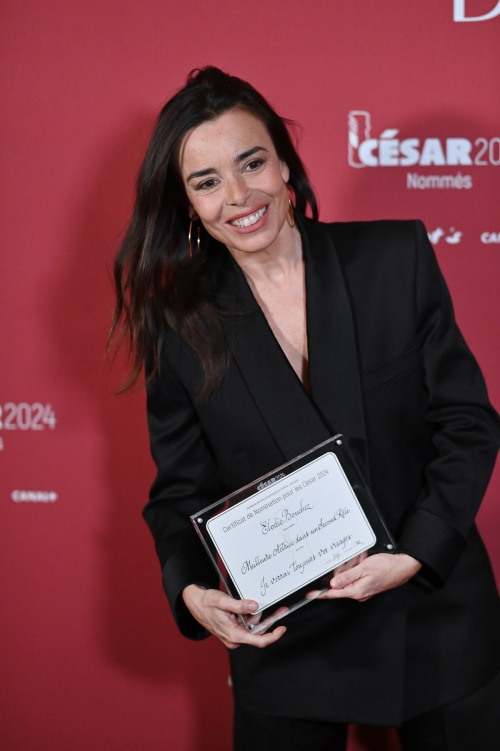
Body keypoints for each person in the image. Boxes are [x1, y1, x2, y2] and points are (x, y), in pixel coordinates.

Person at [108, 66, 500, 750]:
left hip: (430, 608)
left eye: (251, 162)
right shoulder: (180, 324)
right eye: (207, 181)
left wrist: (414, 552)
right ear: (187, 204)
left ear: (282, 159)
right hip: (287, 636)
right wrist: (194, 592)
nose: (238, 196)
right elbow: (178, 493)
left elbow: (467, 423)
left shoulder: (392, 257)